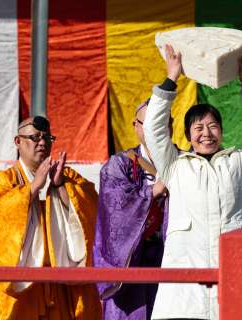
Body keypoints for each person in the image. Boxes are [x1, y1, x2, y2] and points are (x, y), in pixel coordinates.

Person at [143, 45, 242, 319]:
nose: (207, 133)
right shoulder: (174, 166)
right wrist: (171, 79)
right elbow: (153, 129)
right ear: (188, 136)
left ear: (222, 131)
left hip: (234, 282)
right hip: (184, 293)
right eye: (198, 127)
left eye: (213, 126)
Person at [0, 116, 102, 320]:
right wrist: (32, 189)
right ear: (18, 141)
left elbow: (92, 207)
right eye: (35, 137)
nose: (43, 142)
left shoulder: (67, 176)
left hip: (65, 287)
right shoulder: (3, 182)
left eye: (47, 137)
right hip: (23, 291)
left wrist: (60, 187)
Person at [93, 100, 170, 320]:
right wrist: (151, 192)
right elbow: (113, 208)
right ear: (136, 126)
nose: (156, 129)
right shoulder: (119, 164)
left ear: (171, 126)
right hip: (130, 260)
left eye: (162, 122)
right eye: (149, 124)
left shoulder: (184, 162)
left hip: (170, 258)